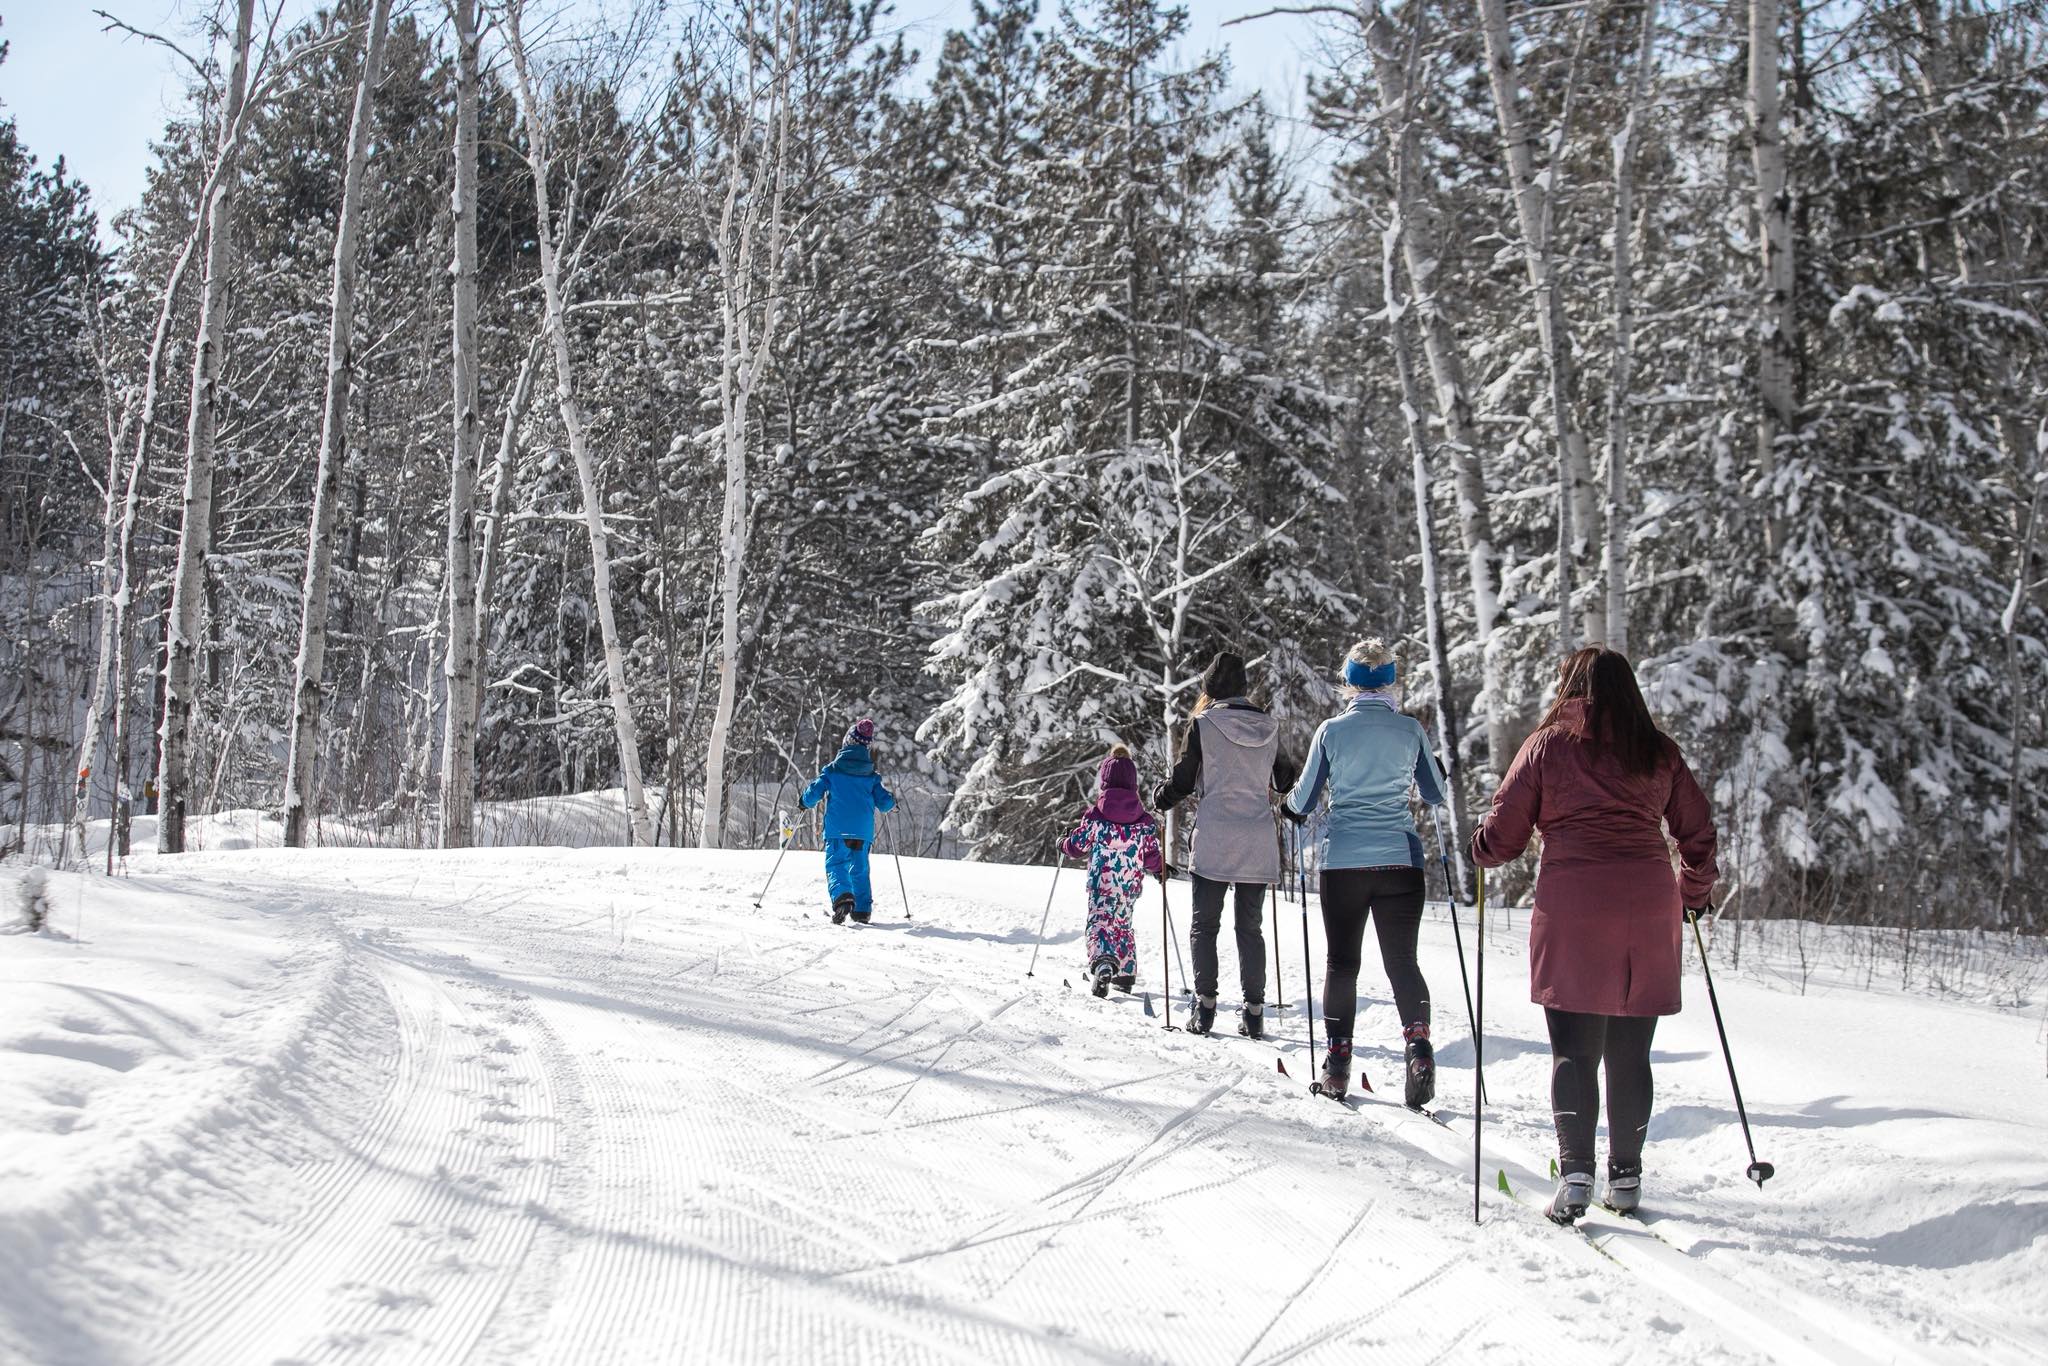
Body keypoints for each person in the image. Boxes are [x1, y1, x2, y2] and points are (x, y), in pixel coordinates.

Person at [1470, 647, 1718, 1225]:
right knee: (1631, 1054)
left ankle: (1577, 1173)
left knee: (1574, 1051)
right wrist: (1694, 895)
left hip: (1574, 905)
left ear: (1569, 686)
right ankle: (1626, 1178)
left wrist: (1480, 845)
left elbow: (1504, 835)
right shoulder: (1657, 750)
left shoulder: (1550, 744)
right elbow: (1698, 833)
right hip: (1648, 907)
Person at [1280, 639, 1448, 1108]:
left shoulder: (1331, 732)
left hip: (1345, 862)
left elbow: (1305, 799)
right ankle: (1417, 1047)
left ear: (1349, 680)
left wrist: (1287, 805)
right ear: (1391, 681)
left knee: (1342, 965)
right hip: (1400, 859)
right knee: (1402, 963)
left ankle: (1336, 1065)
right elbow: (1435, 794)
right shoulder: (1410, 729)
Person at [1154, 650, 1298, 1039]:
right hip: (1256, 838)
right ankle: (1254, 1013)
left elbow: (1183, 782)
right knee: (1250, 928)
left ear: (1210, 689)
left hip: (1216, 836)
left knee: (1205, 926)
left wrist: (1160, 797)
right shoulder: (1269, 726)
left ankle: (1205, 1008)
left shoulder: (1203, 724)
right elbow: (1287, 781)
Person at [1060, 745, 1164, 996]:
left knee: (1099, 923)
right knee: (1122, 924)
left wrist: (1063, 843)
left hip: (1102, 882)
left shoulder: (1095, 816)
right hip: (1129, 885)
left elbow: (1077, 846)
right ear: (1133, 783)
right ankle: (1126, 973)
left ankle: (1104, 964)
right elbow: (1150, 855)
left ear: (1104, 781)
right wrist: (1160, 869)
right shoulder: (1144, 821)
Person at [800, 717, 898, 924]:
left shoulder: (833, 770)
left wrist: (804, 802)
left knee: (837, 863)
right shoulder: (871, 775)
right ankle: (862, 910)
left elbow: (814, 793)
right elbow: (884, 802)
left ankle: (843, 897)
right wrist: (892, 803)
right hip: (862, 831)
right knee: (860, 867)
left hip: (838, 829)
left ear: (847, 742)